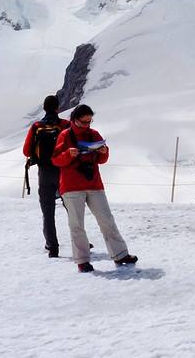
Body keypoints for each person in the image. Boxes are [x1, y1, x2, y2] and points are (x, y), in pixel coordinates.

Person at [51, 104, 138, 273]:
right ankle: (82, 261)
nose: (86, 125)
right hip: (71, 186)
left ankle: (120, 255)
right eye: (83, 122)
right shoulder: (65, 135)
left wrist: (104, 151)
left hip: (94, 183)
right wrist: (68, 154)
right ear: (74, 120)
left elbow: (101, 160)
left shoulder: (94, 134)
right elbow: (55, 160)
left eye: (89, 122)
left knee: (107, 220)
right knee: (77, 225)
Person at [23, 95, 66, 256]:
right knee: (72, 208)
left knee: (48, 210)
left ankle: (52, 245)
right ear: (57, 108)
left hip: (45, 172)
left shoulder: (37, 126)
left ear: (44, 108)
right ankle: (80, 241)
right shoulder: (64, 125)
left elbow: (27, 151)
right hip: (63, 171)